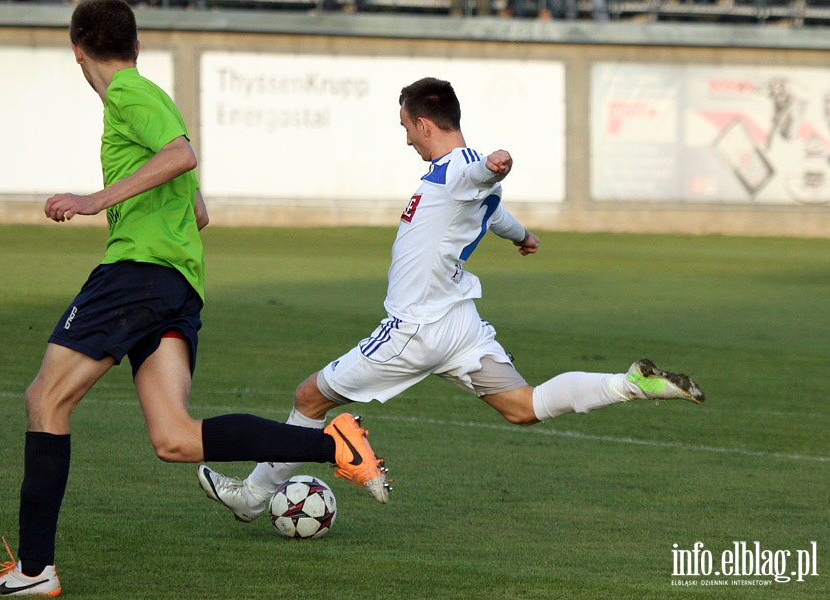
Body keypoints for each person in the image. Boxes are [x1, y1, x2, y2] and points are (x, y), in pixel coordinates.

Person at [0, 0, 386, 596]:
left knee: (45, 401)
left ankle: (35, 570)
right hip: (176, 286)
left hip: (136, 275)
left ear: (76, 48)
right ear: (136, 46)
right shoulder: (150, 100)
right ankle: (334, 444)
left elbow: (182, 156)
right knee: (175, 438)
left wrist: (95, 200)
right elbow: (199, 211)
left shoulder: (129, 96)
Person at [197, 76, 705, 523]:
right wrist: (522, 234)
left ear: (423, 124)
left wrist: (497, 164)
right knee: (523, 407)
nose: (406, 139)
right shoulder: (459, 182)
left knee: (310, 397)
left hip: (415, 328)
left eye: (405, 128)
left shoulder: (460, 168)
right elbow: (493, 210)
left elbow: (482, 173)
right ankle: (629, 384)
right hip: (461, 326)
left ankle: (255, 495)